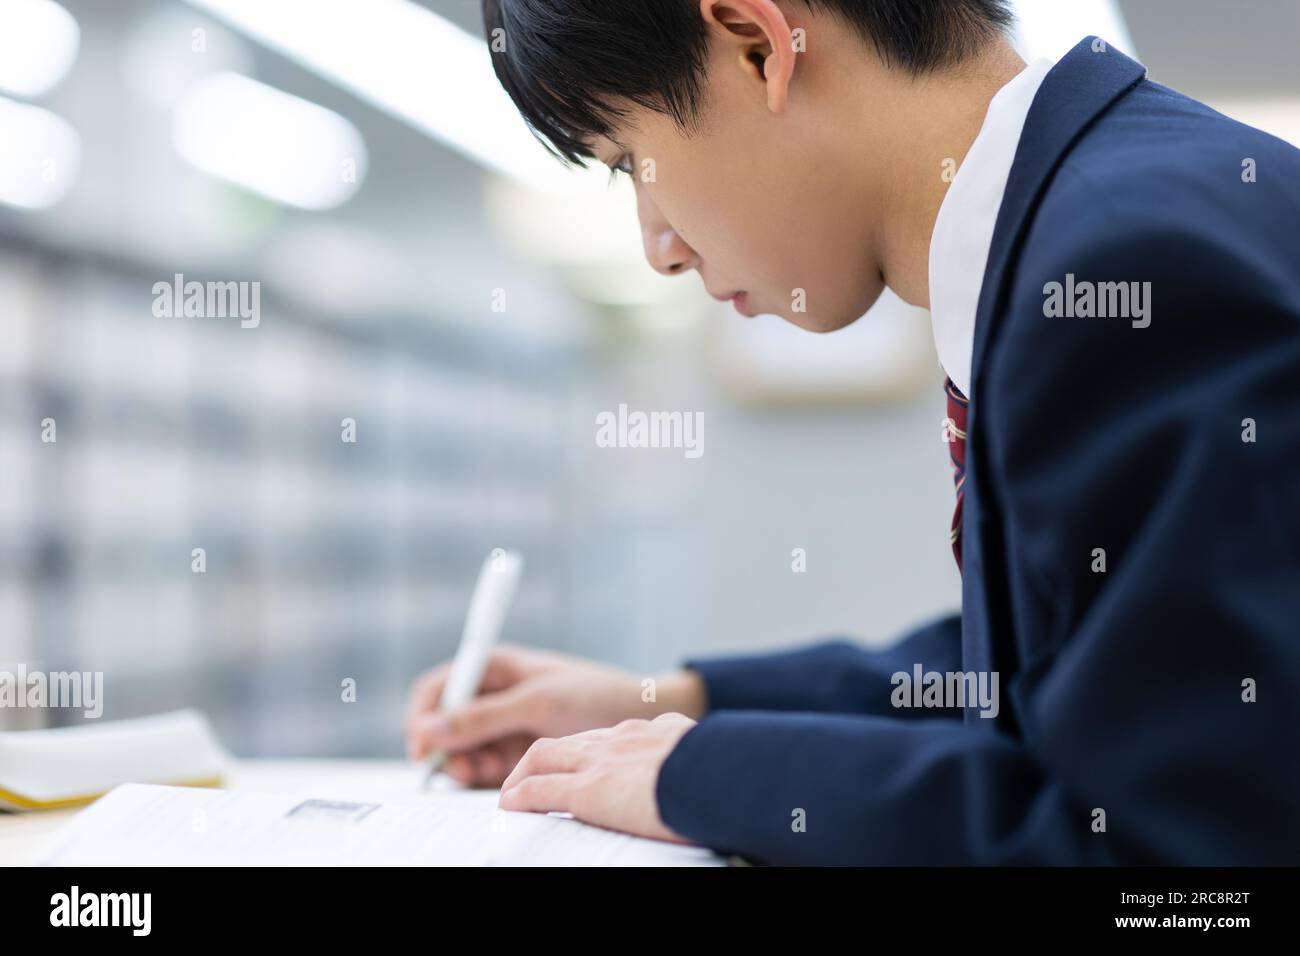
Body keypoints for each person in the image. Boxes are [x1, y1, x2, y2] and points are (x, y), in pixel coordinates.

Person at [405, 0, 1300, 864]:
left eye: (627, 158)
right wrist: (677, 707)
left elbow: (1170, 860)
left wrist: (708, 778)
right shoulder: (1100, 220)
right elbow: (1079, 668)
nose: (659, 247)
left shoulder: (1126, 271)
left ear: (759, 44)